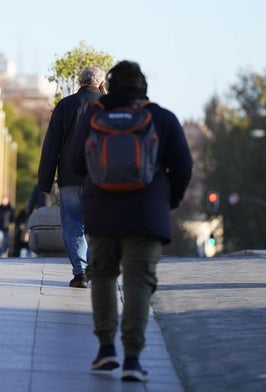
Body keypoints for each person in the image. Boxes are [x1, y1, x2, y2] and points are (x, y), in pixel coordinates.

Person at [71, 61, 192, 381]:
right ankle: (134, 360)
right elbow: (183, 167)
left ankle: (106, 350)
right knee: (138, 283)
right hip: (146, 217)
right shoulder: (162, 118)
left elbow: (75, 163)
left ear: (109, 86)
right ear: (143, 87)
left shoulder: (94, 118)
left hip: (102, 216)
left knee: (104, 277)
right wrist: (169, 200)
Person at [37, 66, 107, 288]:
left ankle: (81, 272)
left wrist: (45, 180)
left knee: (73, 224)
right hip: (100, 179)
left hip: (70, 178)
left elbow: (51, 147)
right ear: (101, 84)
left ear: (80, 82)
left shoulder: (65, 106)